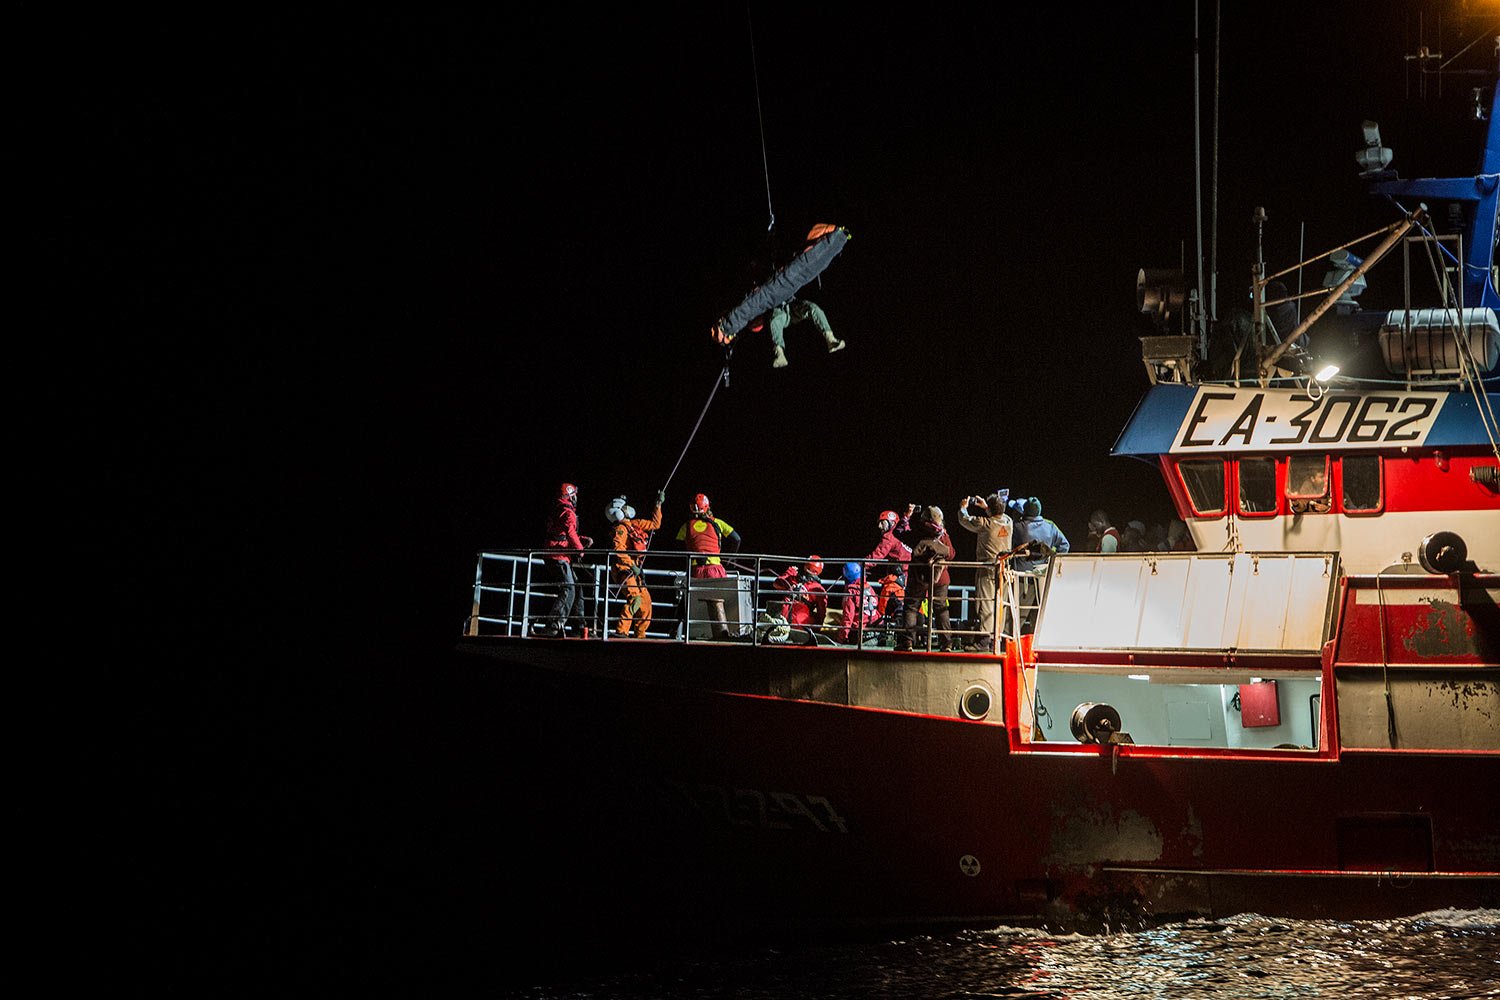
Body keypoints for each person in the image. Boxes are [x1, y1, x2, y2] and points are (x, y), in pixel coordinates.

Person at [675, 493, 742, 639]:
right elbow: (736, 539)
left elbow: (679, 546)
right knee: (724, 605)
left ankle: (676, 632)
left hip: (695, 572)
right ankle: (726, 635)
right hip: (716, 571)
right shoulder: (718, 522)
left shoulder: (686, 526)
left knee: (688, 604)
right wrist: (730, 561)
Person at [534, 482, 593, 638]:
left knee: (577, 588)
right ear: (569, 495)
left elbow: (562, 534)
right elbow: (569, 531)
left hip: (557, 554)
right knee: (569, 588)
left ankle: (579, 626)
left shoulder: (558, 509)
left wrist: (581, 540)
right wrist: (580, 549)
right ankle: (553, 625)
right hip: (557, 556)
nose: (576, 499)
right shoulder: (567, 512)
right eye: (574, 496)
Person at [955, 492, 1012, 651]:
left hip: (987, 568)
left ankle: (984, 641)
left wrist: (963, 508)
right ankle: (997, 639)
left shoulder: (985, 524)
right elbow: (1000, 514)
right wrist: (988, 507)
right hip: (1004, 569)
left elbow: (964, 520)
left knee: (985, 603)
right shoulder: (1008, 522)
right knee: (1001, 604)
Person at [606, 490, 665, 639]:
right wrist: (632, 566)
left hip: (635, 569)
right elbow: (618, 550)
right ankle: (621, 631)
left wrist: (658, 505)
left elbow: (655, 524)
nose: (628, 509)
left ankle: (640, 636)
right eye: (625, 507)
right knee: (635, 598)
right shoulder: (620, 529)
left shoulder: (634, 524)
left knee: (645, 604)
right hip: (624, 568)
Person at [897, 506, 956, 652]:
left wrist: (907, 516)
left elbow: (899, 533)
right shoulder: (942, 533)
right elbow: (952, 554)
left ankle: (908, 643)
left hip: (918, 577)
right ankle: (947, 643)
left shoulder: (918, 532)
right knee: (941, 608)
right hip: (940, 578)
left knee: (911, 607)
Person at [772, 555, 829, 634]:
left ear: (817, 572)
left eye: (813, 570)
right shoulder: (793, 578)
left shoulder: (818, 589)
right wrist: (787, 574)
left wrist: (816, 630)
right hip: (783, 621)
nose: (809, 572)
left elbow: (821, 613)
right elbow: (776, 584)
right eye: (808, 568)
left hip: (801, 626)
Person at [836, 561, 878, 644]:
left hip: (858, 633)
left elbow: (848, 617)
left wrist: (841, 638)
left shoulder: (851, 592)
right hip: (873, 630)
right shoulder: (870, 588)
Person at [867, 505, 914, 575]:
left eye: (883, 523)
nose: (879, 526)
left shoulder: (889, 538)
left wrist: (859, 565)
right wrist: (907, 516)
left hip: (897, 576)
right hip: (907, 573)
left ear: (891, 523)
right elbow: (903, 527)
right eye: (879, 523)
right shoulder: (901, 534)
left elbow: (877, 556)